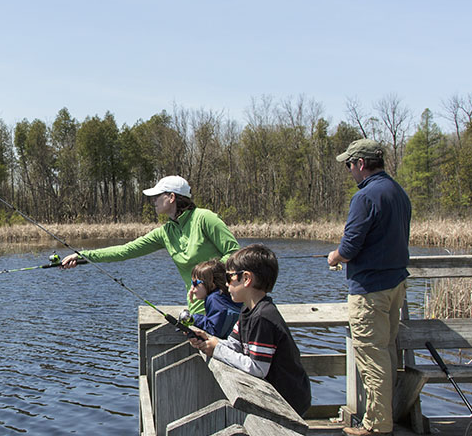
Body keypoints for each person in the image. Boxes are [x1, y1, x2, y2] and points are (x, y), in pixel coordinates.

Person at [328, 139, 411, 436]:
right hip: (396, 285)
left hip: (370, 291)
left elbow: (349, 248)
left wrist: (334, 257)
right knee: (386, 351)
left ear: (360, 164)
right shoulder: (397, 192)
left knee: (371, 356)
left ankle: (377, 424)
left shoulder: (364, 197)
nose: (349, 170)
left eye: (349, 164)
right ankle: (384, 417)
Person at [60, 175, 239, 315]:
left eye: (157, 196)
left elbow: (234, 253)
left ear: (171, 197)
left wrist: (208, 273)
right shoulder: (166, 232)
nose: (153, 201)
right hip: (197, 310)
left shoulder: (204, 218)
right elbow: (125, 250)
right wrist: (84, 255)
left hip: (225, 307)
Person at [189, 244, 311, 417]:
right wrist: (208, 339)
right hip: (271, 395)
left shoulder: (263, 317)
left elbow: (257, 368)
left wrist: (216, 349)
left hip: (287, 400)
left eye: (230, 277)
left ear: (246, 279)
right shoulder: (247, 311)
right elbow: (234, 345)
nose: (225, 283)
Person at [185, 259, 241, 338]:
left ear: (212, 283)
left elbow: (214, 330)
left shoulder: (214, 299)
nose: (192, 287)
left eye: (195, 283)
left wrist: (194, 318)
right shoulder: (226, 295)